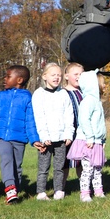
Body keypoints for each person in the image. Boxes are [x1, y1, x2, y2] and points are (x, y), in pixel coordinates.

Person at [0, 65, 42, 204]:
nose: (4, 79)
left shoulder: (27, 98)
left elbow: (30, 120)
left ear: (19, 80)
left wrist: (34, 139)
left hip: (19, 138)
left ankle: (14, 191)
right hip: (2, 137)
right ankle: (10, 190)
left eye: (8, 76)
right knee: (6, 160)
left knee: (17, 165)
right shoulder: (0, 96)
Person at [32, 63, 74, 201]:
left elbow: (69, 115)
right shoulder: (39, 94)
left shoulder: (63, 94)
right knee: (44, 166)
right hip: (47, 138)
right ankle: (41, 192)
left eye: (59, 75)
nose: (56, 78)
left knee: (59, 167)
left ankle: (58, 191)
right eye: (53, 75)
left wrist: (69, 134)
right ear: (45, 76)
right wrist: (44, 136)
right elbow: (39, 117)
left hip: (61, 138)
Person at [67, 71, 108, 201]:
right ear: (93, 85)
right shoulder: (88, 101)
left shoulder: (97, 101)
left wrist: (102, 139)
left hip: (96, 141)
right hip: (87, 141)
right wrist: (90, 137)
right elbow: (84, 120)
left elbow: (100, 123)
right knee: (88, 169)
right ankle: (84, 193)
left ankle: (98, 191)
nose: (105, 85)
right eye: (103, 83)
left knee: (97, 168)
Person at [61, 62, 85, 183]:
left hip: (83, 134)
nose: (79, 77)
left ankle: (85, 187)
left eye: (81, 74)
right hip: (67, 133)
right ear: (66, 76)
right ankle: (60, 188)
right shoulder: (62, 93)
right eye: (76, 74)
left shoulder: (84, 93)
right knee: (64, 162)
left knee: (82, 162)